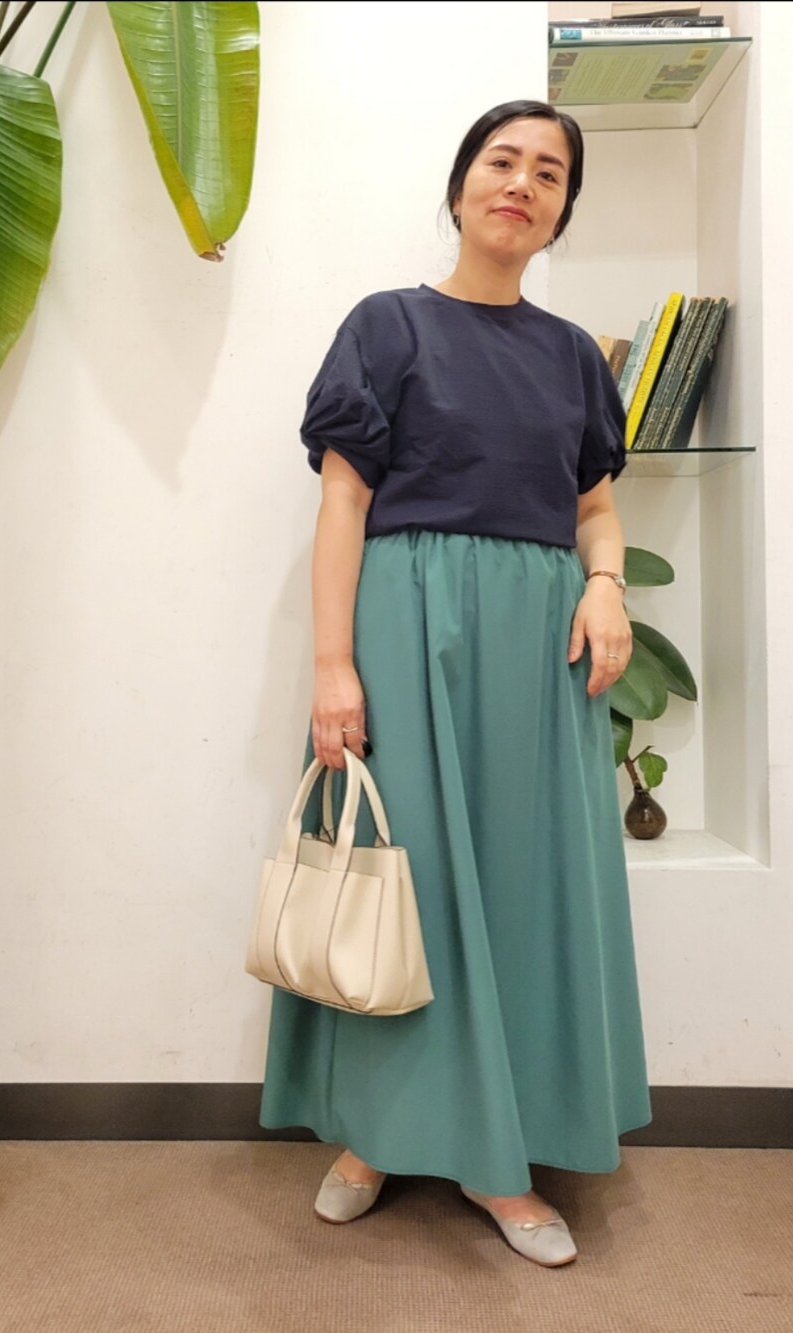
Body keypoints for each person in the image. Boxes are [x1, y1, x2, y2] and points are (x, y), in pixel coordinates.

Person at [258, 99, 652, 1269]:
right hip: (406, 627)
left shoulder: (572, 355)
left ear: (562, 211)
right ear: (460, 183)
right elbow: (343, 501)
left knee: (524, 892)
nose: (521, 183)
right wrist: (333, 664)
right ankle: (376, 1134)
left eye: (549, 173)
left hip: (539, 648)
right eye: (501, 161)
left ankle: (501, 1156)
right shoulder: (387, 326)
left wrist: (605, 584)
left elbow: (594, 505)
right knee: (406, 880)